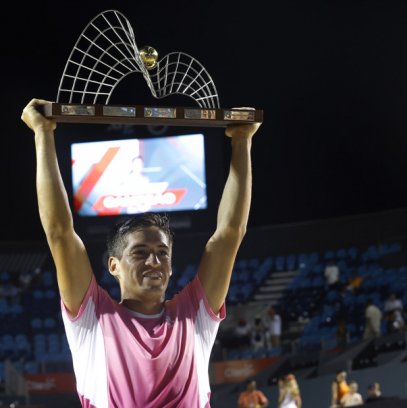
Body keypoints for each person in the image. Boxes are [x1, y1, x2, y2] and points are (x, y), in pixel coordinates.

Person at [21, 98, 260, 407]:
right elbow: (60, 234)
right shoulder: (93, 316)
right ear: (113, 265)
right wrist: (43, 133)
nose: (154, 261)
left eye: (163, 252)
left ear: (172, 266)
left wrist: (242, 142)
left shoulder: (193, 315)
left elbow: (229, 234)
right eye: (140, 252)